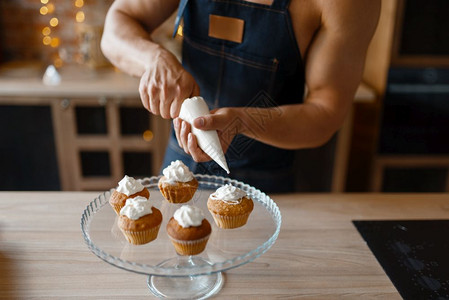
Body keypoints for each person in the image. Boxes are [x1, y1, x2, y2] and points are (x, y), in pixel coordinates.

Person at [101, 0, 380, 193]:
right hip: (179, 168)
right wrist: (155, 59)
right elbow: (116, 26)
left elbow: (326, 112)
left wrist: (242, 121)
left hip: (266, 183)